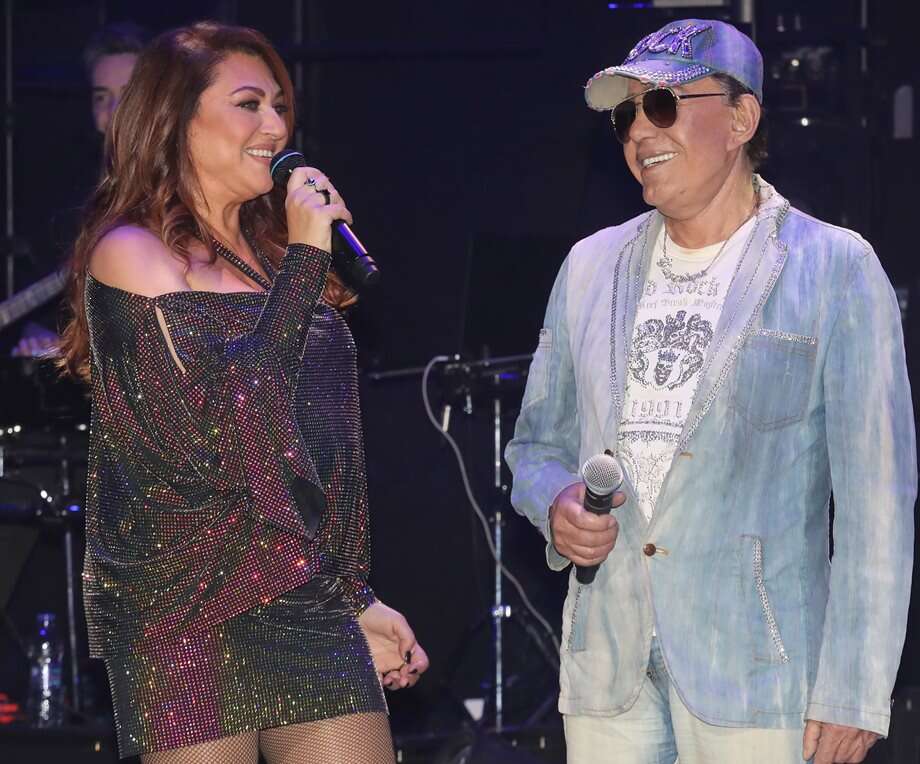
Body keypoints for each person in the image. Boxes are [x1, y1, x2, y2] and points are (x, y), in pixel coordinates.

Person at [505, 19, 915, 764]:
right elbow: (534, 446)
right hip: (609, 671)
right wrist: (557, 503)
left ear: (740, 118)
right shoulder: (590, 266)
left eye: (662, 105)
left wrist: (855, 686)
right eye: (626, 115)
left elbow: (877, 501)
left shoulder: (834, 267)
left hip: (758, 674)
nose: (639, 131)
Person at [57, 21, 428, 763]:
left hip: (303, 600)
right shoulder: (132, 253)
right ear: (175, 118)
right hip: (184, 609)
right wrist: (305, 261)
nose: (276, 127)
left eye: (280, 107)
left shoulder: (273, 261)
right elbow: (226, 425)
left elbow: (317, 449)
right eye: (249, 104)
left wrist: (354, 593)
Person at [11, 22, 147, 357]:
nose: (113, 112)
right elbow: (47, 305)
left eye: (127, 95)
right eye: (102, 97)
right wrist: (36, 333)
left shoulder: (192, 190)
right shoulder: (76, 201)